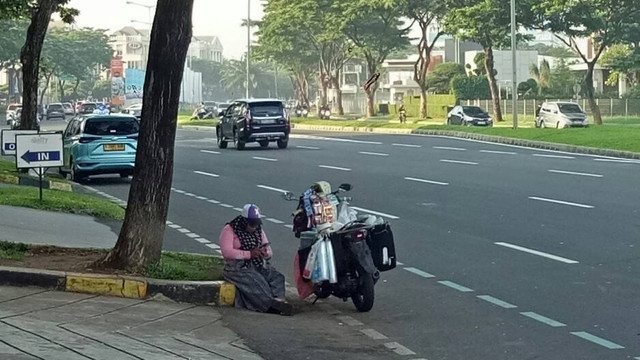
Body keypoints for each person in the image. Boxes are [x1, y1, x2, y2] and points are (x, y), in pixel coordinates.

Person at [219, 204, 292, 316]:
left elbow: (268, 250)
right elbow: (227, 252)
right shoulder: (229, 230)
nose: (254, 226)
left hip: (257, 264)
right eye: (251, 223)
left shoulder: (259, 231)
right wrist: (249, 254)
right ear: (244, 221)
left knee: (277, 277)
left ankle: (279, 301)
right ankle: (268, 306)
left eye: (256, 223)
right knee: (257, 282)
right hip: (237, 267)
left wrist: (264, 253)